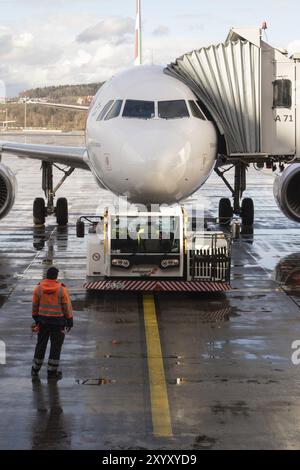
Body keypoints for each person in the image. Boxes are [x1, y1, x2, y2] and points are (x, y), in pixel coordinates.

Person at [31, 266, 73, 381]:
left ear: (46, 275)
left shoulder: (38, 288)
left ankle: (35, 370)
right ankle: (51, 373)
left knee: (40, 345)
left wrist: (36, 317)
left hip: (43, 322)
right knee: (55, 348)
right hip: (58, 323)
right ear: (56, 276)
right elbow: (66, 306)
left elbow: (35, 304)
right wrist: (69, 320)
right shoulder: (61, 289)